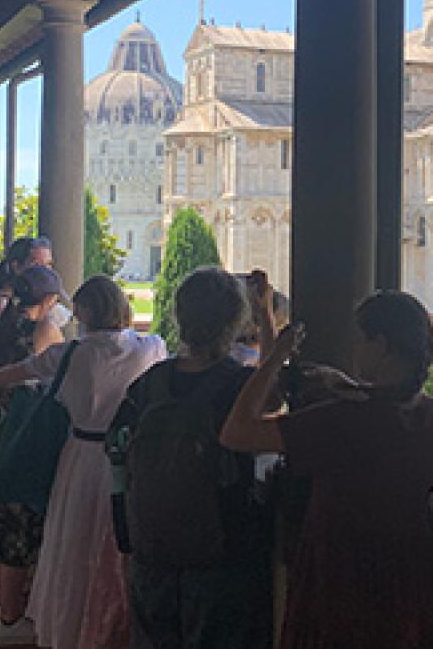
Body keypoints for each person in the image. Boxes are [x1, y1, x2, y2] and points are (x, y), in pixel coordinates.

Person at [221, 288, 433, 649]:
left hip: (341, 577)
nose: (355, 350)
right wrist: (352, 387)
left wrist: (274, 358)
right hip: (411, 574)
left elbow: (237, 431)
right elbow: (392, 409)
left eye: (361, 340)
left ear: (380, 344)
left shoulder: (340, 422)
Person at [0, 276, 166, 649]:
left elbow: (3, 376)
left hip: (81, 457)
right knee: (120, 545)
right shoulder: (150, 348)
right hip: (126, 458)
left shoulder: (68, 354)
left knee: (73, 546)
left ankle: (68, 628)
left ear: (84, 312)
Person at [114, 268, 274, 649]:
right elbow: (272, 394)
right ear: (234, 322)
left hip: (152, 543)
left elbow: (117, 456)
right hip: (221, 545)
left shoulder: (148, 384)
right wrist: (265, 312)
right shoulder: (237, 385)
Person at [0, 265, 65, 647]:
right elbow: (53, 378)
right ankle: (11, 610)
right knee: (19, 514)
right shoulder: (44, 331)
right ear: (48, 300)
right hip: (25, 425)